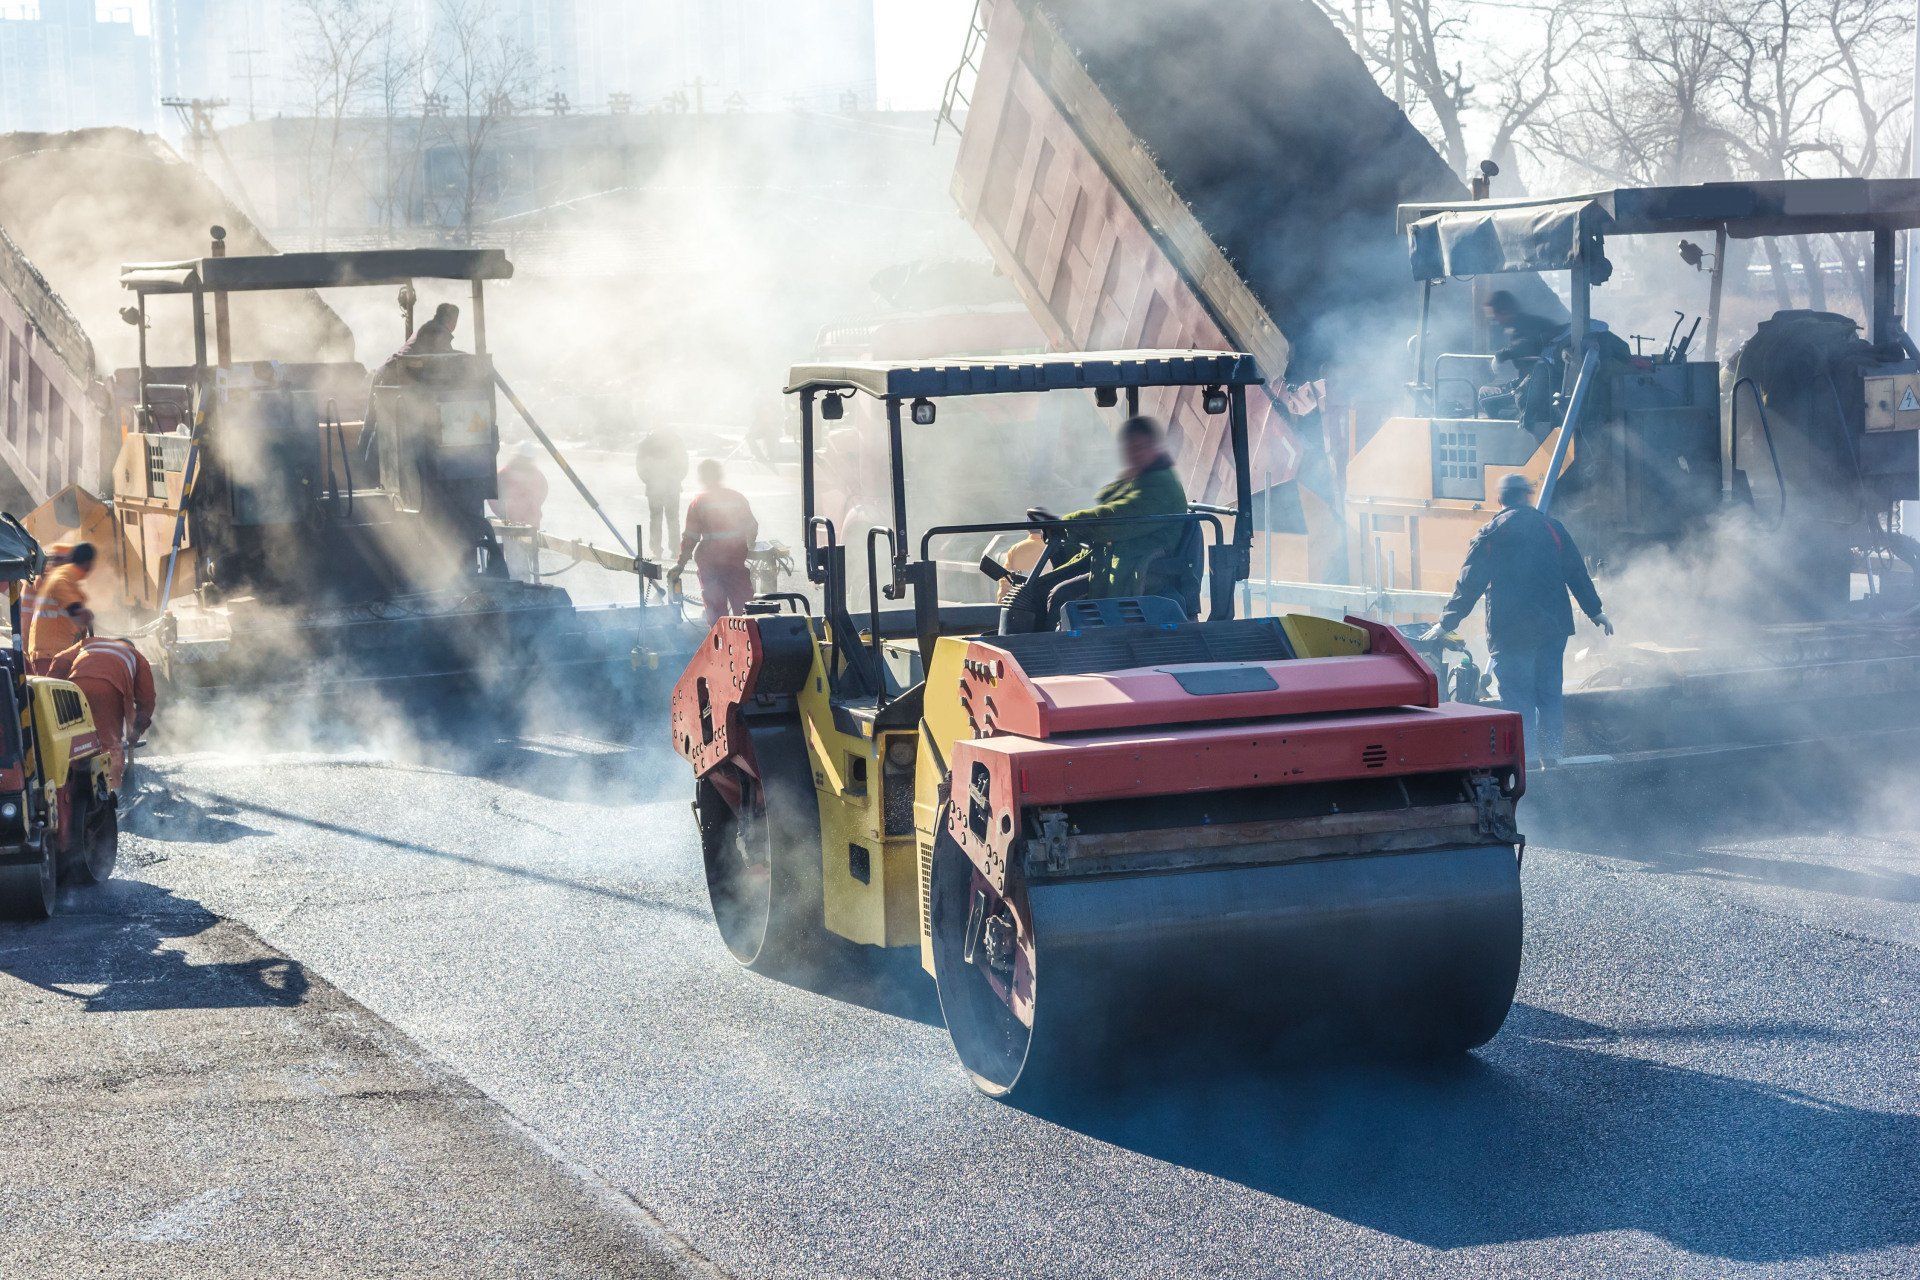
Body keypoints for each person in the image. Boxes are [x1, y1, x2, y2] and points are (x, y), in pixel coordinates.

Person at [1424, 473, 1613, 765]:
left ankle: (1526, 766)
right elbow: (1576, 573)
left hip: (1511, 634)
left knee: (1519, 702)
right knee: (1550, 696)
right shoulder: (1552, 528)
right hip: (1552, 631)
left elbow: (1469, 585)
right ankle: (1553, 759)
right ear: (1527, 496)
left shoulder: (1491, 535)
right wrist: (1595, 610)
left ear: (1500, 499)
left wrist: (1445, 623)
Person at [1055, 415, 1188, 606]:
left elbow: (1119, 519)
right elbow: (1106, 499)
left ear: (1154, 447)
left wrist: (1068, 523)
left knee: (1061, 595)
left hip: (1143, 570)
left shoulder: (1161, 485)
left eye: (1139, 448)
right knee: (1047, 588)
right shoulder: (1141, 478)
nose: (1134, 455)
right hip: (1122, 562)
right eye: (1129, 449)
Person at [47, 635, 155, 790]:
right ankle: (111, 793)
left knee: (75, 741)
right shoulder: (137, 656)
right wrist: (137, 731)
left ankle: (70, 790)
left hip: (75, 686)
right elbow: (147, 700)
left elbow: (60, 659)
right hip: (108, 689)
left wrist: (51, 687)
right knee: (109, 744)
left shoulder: (89, 642)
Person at [671, 459, 758, 625]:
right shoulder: (737, 498)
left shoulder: (699, 502)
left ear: (703, 478)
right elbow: (752, 526)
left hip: (711, 566)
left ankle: (722, 646)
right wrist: (749, 545)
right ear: (719, 475)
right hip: (735, 564)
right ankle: (748, 645)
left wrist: (680, 564)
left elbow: (691, 537)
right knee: (745, 611)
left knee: (717, 613)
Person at [1479, 290, 1562, 432]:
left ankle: (1505, 430)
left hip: (1532, 389)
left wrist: (1501, 355)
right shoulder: (1535, 322)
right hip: (1548, 386)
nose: (1495, 321)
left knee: (1483, 393)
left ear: (1504, 311)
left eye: (1495, 316)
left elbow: (1526, 345)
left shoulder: (1521, 327)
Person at [24, 542, 96, 673]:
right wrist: (76, 609)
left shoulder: (64, 578)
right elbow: (60, 583)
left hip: (48, 652)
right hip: (51, 653)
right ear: (88, 563)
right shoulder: (64, 574)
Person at [491, 443, 550, 581]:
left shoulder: (535, 475)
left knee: (525, 560)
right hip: (513, 527)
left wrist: (533, 507)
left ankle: (525, 585)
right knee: (517, 561)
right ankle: (521, 585)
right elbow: (492, 496)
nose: (526, 462)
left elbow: (542, 493)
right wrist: (504, 514)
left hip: (528, 525)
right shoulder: (504, 475)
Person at [636, 426, 691, 560]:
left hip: (658, 486)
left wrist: (649, 480)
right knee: (671, 519)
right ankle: (674, 549)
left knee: (657, 519)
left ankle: (658, 549)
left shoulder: (647, 442)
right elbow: (684, 464)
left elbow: (640, 466)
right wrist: (676, 479)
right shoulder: (676, 440)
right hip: (669, 486)